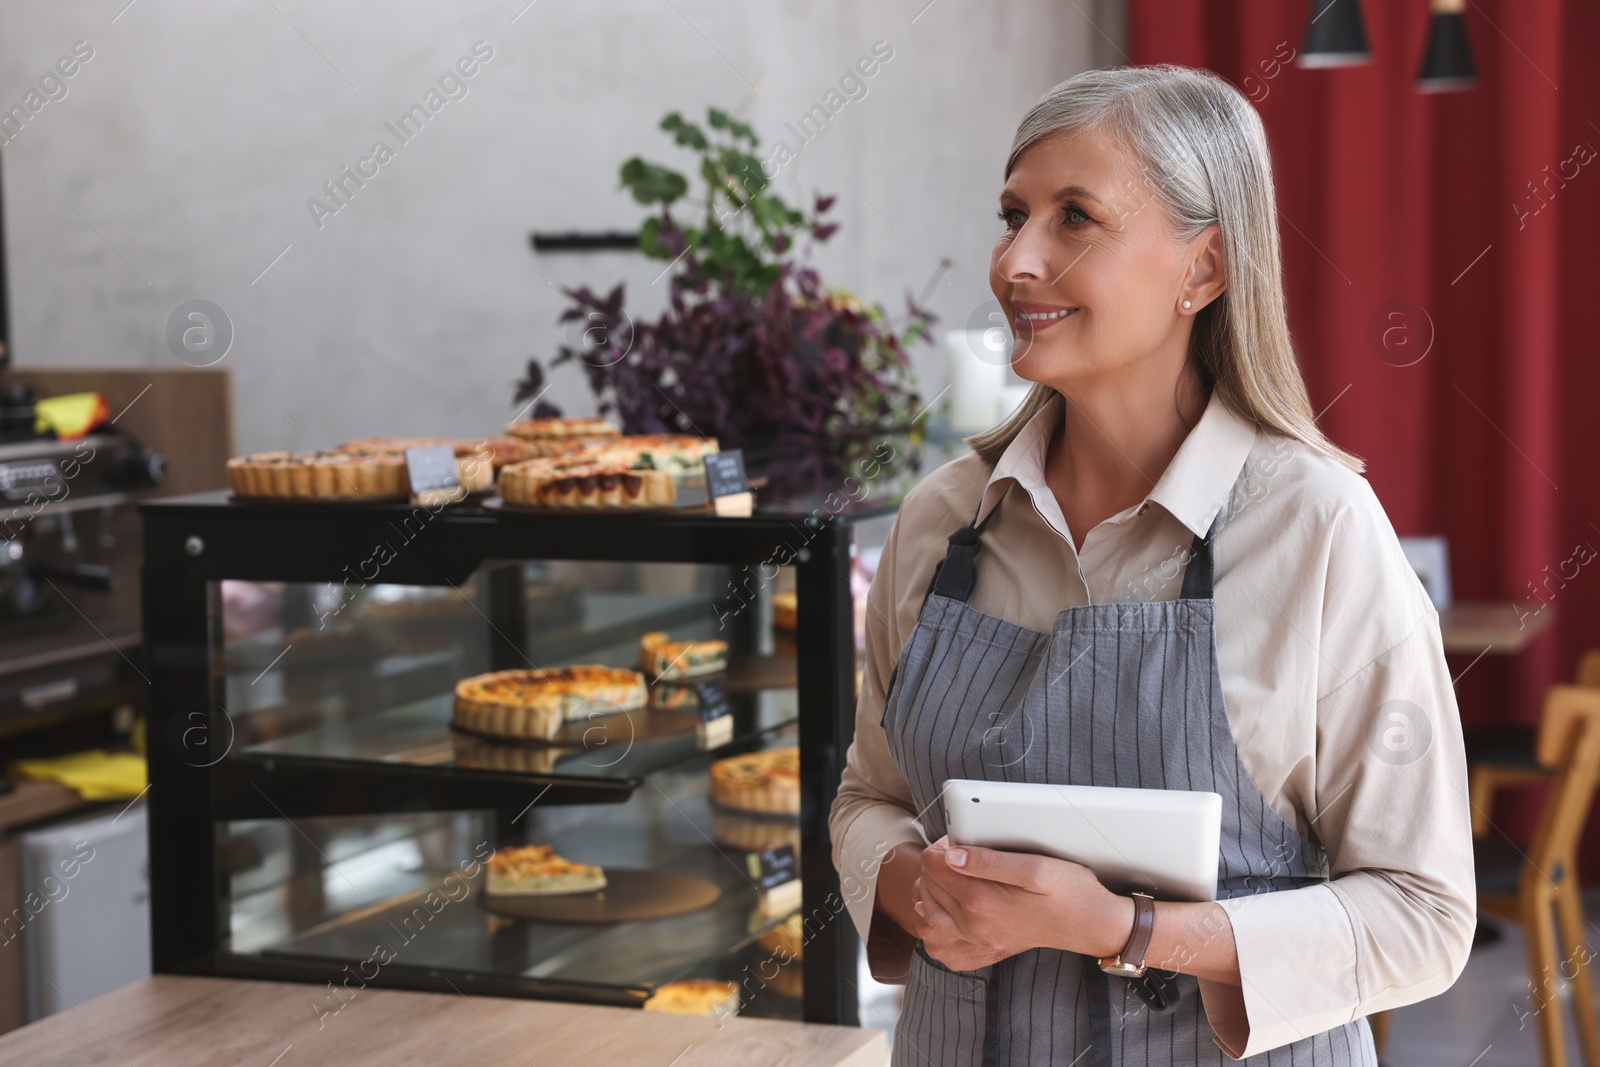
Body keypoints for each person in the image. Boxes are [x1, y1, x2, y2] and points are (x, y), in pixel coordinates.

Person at [829, 64, 1475, 1066]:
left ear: (1202, 270)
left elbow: (1424, 915)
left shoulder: (1318, 527)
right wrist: (904, 881)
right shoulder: (941, 517)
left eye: (1074, 218)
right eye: (1013, 214)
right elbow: (867, 797)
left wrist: (1121, 929)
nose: (1014, 261)